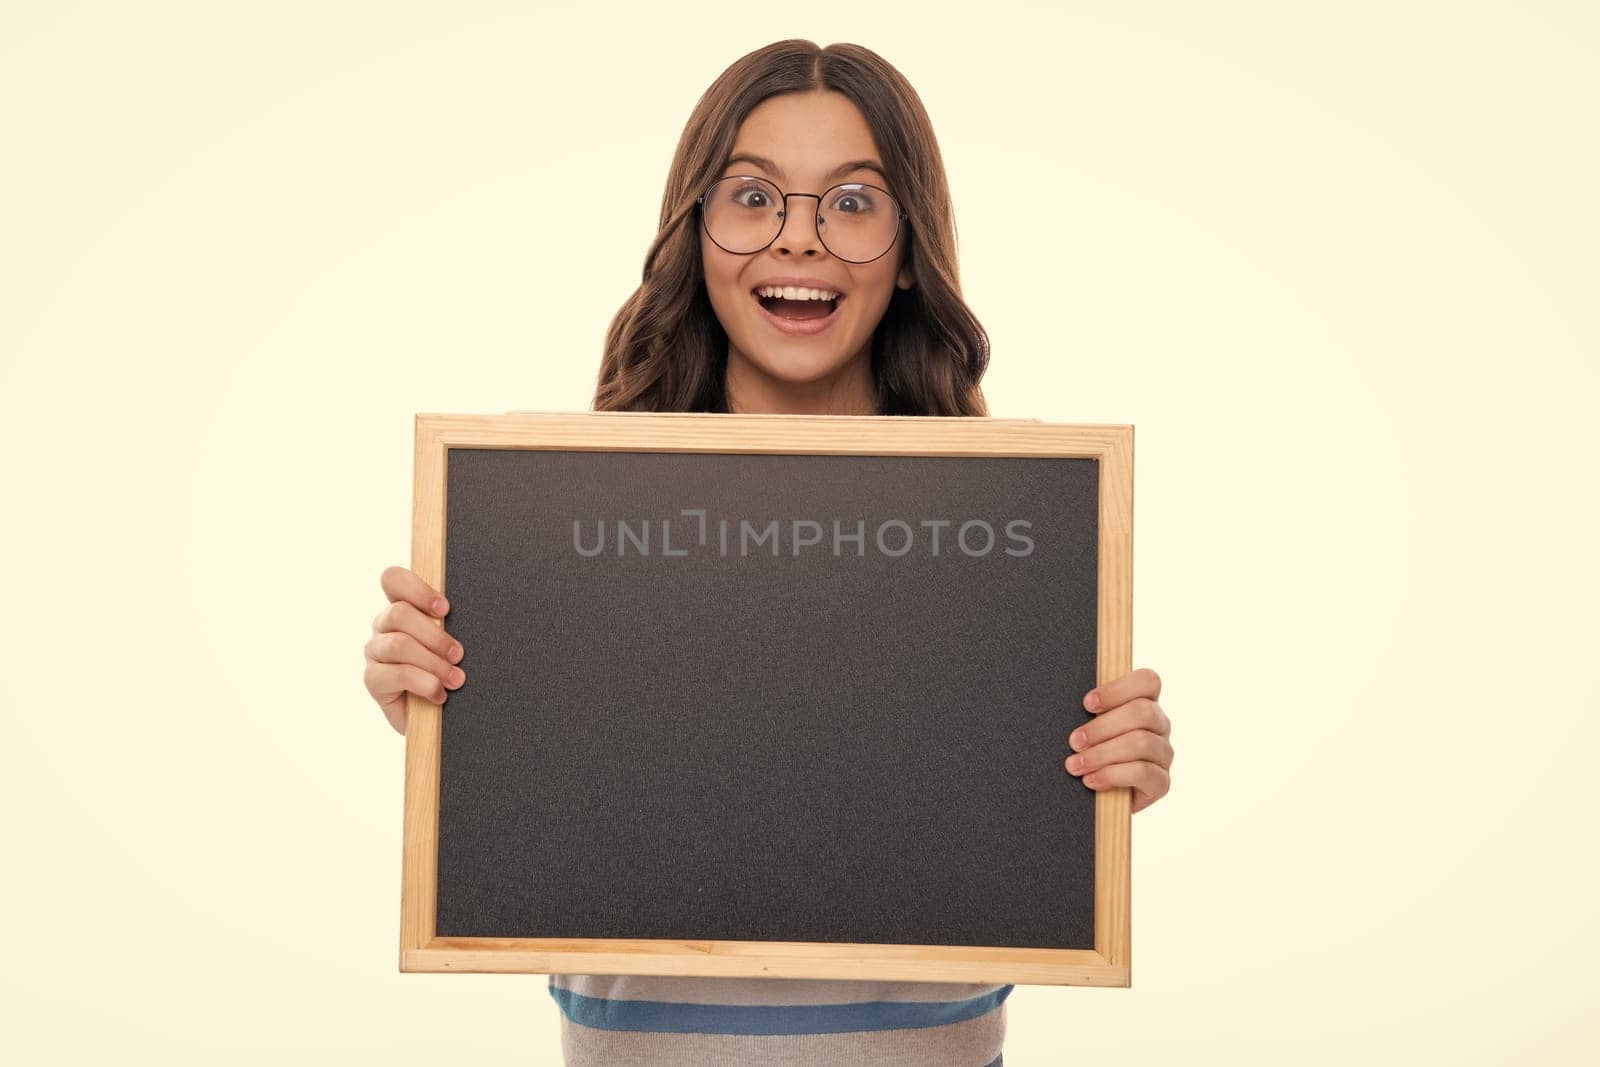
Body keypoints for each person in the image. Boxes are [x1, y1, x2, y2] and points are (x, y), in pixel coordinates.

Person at [363, 39, 1175, 1067]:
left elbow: (998, 810)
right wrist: (453, 717)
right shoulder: (558, 514)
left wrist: (1101, 774)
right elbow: (562, 793)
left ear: (909, 240)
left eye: (851, 201)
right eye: (752, 196)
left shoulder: (1010, 521)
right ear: (695, 230)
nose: (800, 240)